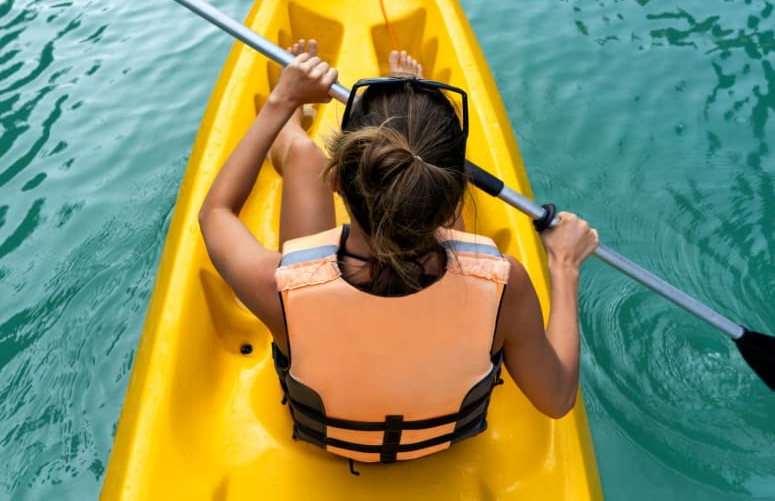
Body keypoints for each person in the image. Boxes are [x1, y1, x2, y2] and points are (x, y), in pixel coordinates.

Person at [198, 40, 599, 464]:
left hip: (330, 441)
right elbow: (556, 398)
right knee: (449, 242)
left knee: (302, 154)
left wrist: (282, 100)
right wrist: (564, 264)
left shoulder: (276, 286)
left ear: (334, 180)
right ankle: (408, 141)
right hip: (443, 441)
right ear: (454, 207)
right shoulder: (504, 283)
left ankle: (293, 127)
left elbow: (216, 213)